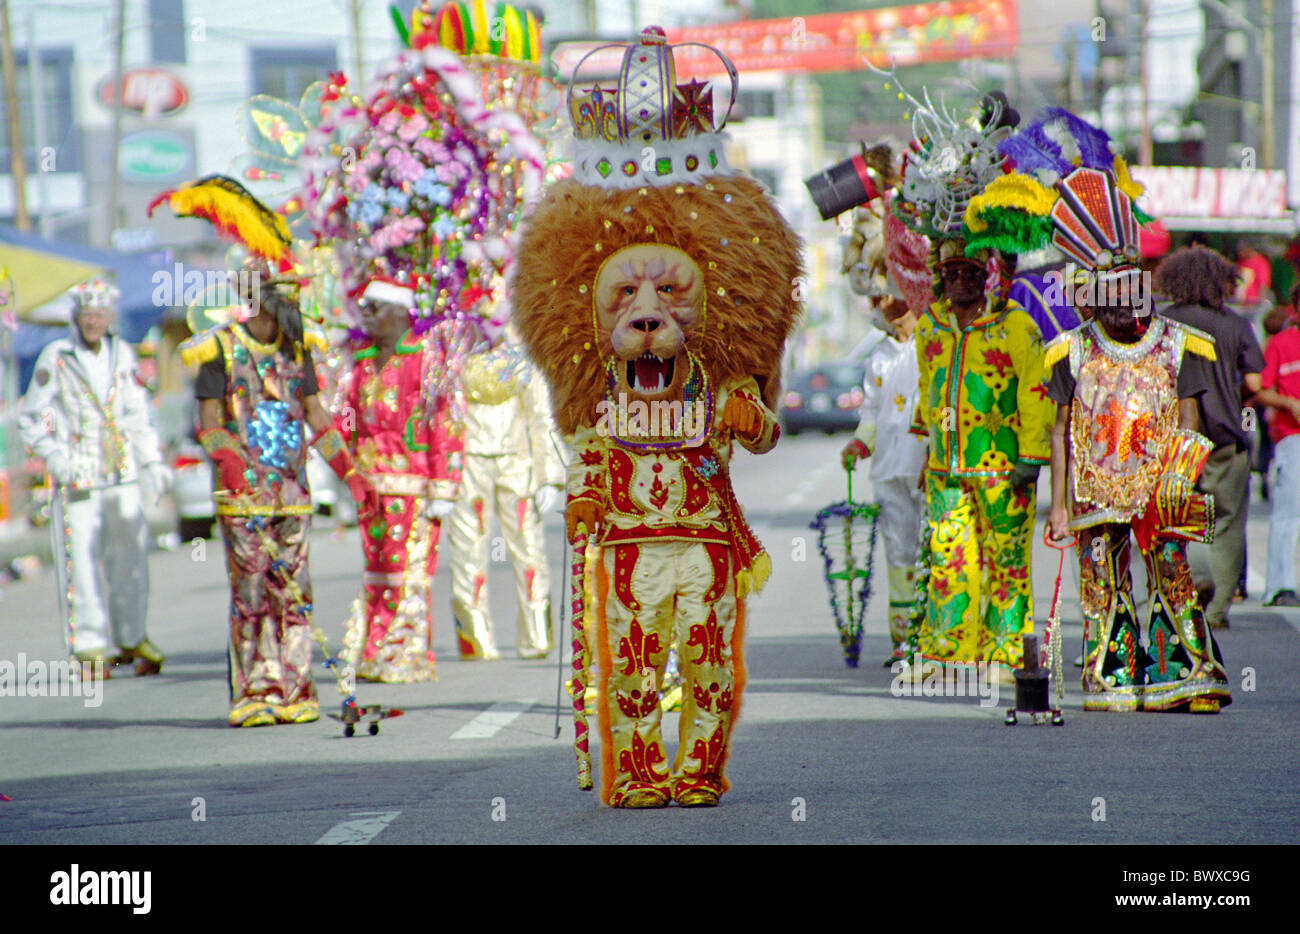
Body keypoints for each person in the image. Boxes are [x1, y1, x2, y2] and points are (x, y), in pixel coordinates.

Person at [511, 27, 803, 808]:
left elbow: (765, 434)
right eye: (626, 298)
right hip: (632, 553)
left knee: (709, 662)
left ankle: (699, 768)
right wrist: (582, 498)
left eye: (669, 296)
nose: (647, 315)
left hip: (707, 547)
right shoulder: (597, 388)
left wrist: (752, 417)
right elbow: (587, 457)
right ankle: (638, 770)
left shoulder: (720, 380)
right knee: (633, 666)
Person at [965, 108, 1231, 712]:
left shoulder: (1177, 343)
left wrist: (1177, 479)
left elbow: (1190, 418)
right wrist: (1058, 504)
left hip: (1162, 485)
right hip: (1093, 490)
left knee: (1172, 579)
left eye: (1126, 289)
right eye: (1105, 293)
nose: (1117, 304)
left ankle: (1185, 678)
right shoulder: (1070, 349)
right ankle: (1115, 676)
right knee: (1102, 587)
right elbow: (1060, 429)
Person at [186, 261, 378, 726]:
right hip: (243, 497)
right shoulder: (219, 348)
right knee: (250, 594)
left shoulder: (298, 350)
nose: (297, 308)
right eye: (287, 298)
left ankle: (295, 688)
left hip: (293, 495)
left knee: (294, 595)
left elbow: (315, 414)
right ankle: (255, 690)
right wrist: (228, 460)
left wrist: (350, 474)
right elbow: (209, 424)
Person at [18, 278, 171, 679]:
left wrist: (152, 462)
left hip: (121, 471)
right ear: (76, 316)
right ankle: (88, 644)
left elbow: (139, 414)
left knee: (131, 557)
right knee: (80, 563)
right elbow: (31, 416)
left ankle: (133, 635)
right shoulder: (58, 356)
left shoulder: (124, 354)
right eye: (87, 314)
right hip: (79, 474)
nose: (93, 321)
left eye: (100, 314)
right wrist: (55, 455)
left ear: (110, 317)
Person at [334, 276, 462, 682]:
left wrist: (445, 485)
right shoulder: (362, 363)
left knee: (408, 571)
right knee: (378, 570)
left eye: (375, 307)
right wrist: (345, 470)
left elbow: (445, 423)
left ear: (401, 312)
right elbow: (347, 419)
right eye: (364, 307)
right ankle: (373, 650)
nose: (366, 314)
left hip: (415, 488)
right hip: (371, 488)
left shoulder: (425, 361)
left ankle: (403, 653)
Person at [1155, 245, 1265, 629]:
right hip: (1226, 435)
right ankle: (1216, 609)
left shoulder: (1162, 321)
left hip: (1173, 437)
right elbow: (1253, 381)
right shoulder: (1236, 324)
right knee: (1227, 521)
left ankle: (1180, 594)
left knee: (1179, 514)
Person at [447, 322, 563, 661]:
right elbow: (442, 411)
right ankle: (474, 638)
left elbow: (541, 412)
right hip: (468, 458)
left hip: (517, 459)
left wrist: (550, 476)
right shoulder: (454, 342)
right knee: (468, 548)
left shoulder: (521, 345)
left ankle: (537, 634)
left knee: (528, 546)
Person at [841, 289, 927, 666]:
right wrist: (860, 444)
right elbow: (872, 412)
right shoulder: (878, 356)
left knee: (933, 547)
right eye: (880, 296)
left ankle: (935, 636)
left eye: (893, 293)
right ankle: (904, 640)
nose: (885, 301)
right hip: (888, 467)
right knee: (898, 550)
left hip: (925, 465)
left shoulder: (931, 343)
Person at [1257, 283, 1300, 607]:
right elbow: (1259, 390)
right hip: (1291, 438)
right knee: (1288, 513)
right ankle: (1280, 585)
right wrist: (1289, 403)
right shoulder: (1280, 343)